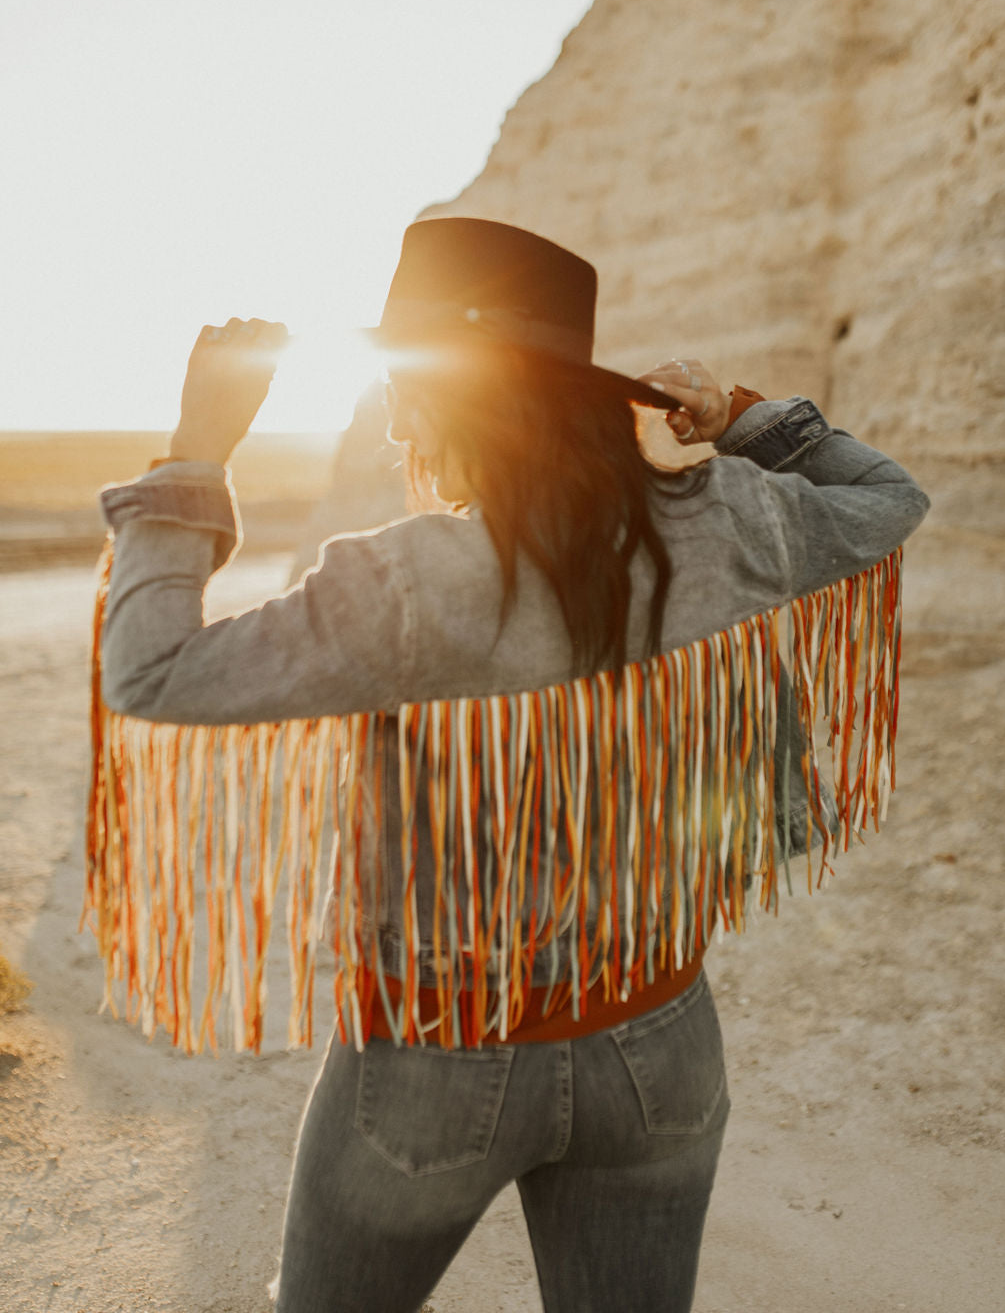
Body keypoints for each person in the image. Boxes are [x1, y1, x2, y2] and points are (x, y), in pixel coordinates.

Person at [93, 217, 929, 1313]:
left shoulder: (410, 580)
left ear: (446, 398)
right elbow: (885, 501)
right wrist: (743, 420)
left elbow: (150, 670)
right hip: (659, 1033)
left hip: (436, 1055)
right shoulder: (724, 520)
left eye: (408, 385)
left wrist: (195, 451)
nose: (397, 414)